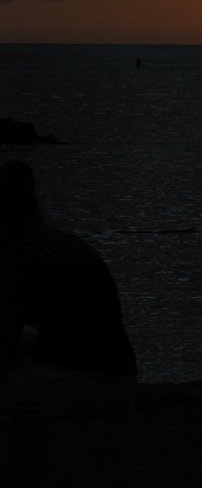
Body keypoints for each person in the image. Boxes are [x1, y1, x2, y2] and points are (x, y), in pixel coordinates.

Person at [0, 160, 137, 417]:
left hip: (73, 383)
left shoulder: (16, 256)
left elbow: (5, 340)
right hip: (122, 383)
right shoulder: (69, 245)